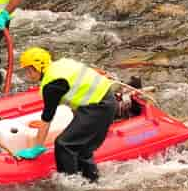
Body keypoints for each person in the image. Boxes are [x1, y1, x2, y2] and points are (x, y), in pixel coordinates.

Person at [15, 47, 119, 182]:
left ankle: (70, 185)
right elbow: (79, 90)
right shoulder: (61, 65)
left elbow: (47, 118)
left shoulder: (52, 85)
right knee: (82, 149)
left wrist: (36, 148)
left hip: (98, 107)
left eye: (29, 70)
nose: (28, 75)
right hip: (105, 101)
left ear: (38, 67)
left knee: (64, 144)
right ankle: (92, 181)